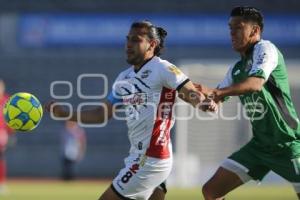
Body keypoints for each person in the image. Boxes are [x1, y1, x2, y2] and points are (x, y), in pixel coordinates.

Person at [46, 20, 217, 200]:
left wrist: (203, 103)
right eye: (128, 39)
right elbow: (101, 114)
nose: (128, 44)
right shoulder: (124, 78)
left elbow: (190, 92)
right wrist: (66, 114)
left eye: (136, 40)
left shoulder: (162, 68)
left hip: (152, 158)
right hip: (138, 156)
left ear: (152, 44)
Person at [200, 6, 300, 200]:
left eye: (238, 27)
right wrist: (206, 100)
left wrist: (217, 92)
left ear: (255, 31)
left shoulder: (266, 49)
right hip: (259, 147)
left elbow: (255, 84)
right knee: (211, 191)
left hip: (287, 144)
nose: (232, 33)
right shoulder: (236, 69)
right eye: (230, 28)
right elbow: (216, 98)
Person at [0, 79, 14, 195]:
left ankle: (2, 183)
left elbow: (11, 118)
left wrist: (10, 132)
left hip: (1, 133)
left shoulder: (7, 100)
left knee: (1, 159)